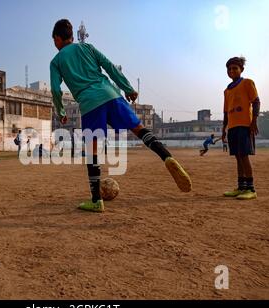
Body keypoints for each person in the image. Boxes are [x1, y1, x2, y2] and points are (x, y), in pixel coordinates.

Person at [50, 19, 192, 212]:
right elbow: (109, 66)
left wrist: (60, 111)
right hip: (111, 94)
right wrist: (127, 87)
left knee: (93, 150)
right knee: (140, 129)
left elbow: (56, 90)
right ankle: (167, 157)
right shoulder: (88, 48)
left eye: (54, 40)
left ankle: (96, 200)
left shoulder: (56, 61)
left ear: (57, 38)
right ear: (72, 36)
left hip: (90, 102)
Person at [222, 57, 260, 200]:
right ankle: (241, 187)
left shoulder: (247, 83)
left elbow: (256, 102)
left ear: (241, 69)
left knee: (244, 155)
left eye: (235, 68)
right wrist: (224, 128)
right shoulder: (227, 90)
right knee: (237, 157)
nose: (231, 71)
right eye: (229, 69)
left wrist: (254, 121)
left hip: (244, 125)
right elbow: (226, 112)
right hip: (232, 127)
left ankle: (251, 189)